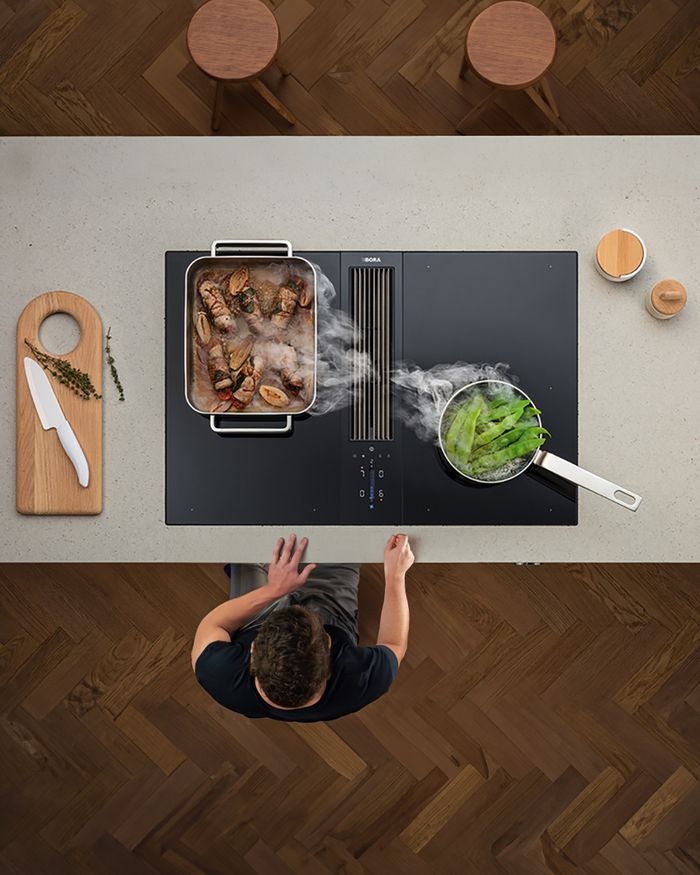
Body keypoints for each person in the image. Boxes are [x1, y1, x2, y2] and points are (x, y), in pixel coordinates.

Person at [191, 533, 414, 721]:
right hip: (330, 617)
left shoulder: (217, 672)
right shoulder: (362, 679)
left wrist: (273, 591)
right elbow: (394, 644)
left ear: (253, 650)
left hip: (259, 619)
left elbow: (214, 623)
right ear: (328, 643)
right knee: (342, 537)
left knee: (245, 537)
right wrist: (395, 575)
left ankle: (254, 570)